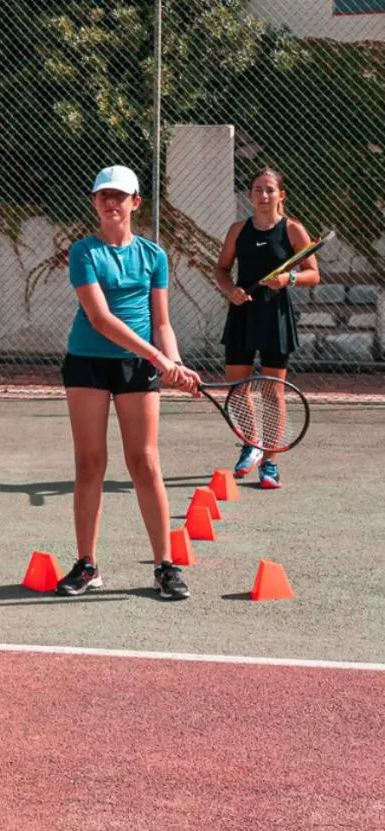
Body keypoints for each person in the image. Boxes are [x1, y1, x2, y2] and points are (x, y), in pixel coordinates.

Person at [55, 165, 202, 602]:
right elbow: (100, 320)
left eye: (120, 196)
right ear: (96, 202)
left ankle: (164, 565)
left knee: (145, 463)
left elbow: (162, 322)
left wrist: (173, 360)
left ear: (136, 202)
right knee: (89, 463)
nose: (111, 202)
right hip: (87, 363)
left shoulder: (154, 256)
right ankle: (87, 565)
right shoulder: (83, 252)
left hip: (138, 368)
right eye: (104, 196)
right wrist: (157, 356)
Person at [213, 168, 319, 489]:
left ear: (280, 195)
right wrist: (230, 289)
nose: (263, 195)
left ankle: (270, 464)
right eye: (258, 190)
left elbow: (313, 273)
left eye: (270, 190)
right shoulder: (237, 230)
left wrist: (288, 279)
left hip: (275, 314)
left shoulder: (293, 230)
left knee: (273, 392)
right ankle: (252, 444)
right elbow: (221, 269)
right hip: (242, 311)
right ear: (250, 196)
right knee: (238, 388)